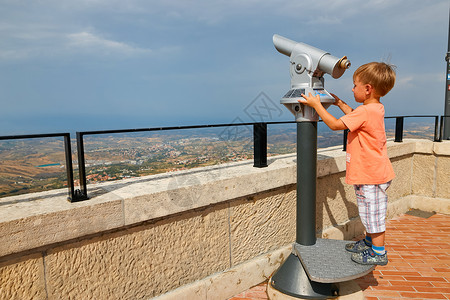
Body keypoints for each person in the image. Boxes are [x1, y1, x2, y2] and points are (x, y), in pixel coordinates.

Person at [300, 62, 396, 265]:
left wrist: (316, 105)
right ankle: (370, 243)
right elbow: (354, 115)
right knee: (368, 212)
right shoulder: (373, 108)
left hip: (372, 175)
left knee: (373, 216)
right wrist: (339, 102)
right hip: (371, 173)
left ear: (367, 89)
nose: (352, 89)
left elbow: (336, 125)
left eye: (355, 85)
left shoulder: (365, 112)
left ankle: (378, 253)